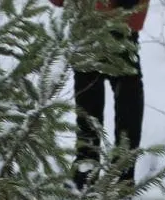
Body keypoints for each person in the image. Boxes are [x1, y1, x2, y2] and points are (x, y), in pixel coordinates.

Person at [48, 0, 150, 189]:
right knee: (90, 107)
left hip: (121, 25)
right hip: (87, 29)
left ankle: (119, 176)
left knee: (127, 103)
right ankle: (89, 173)